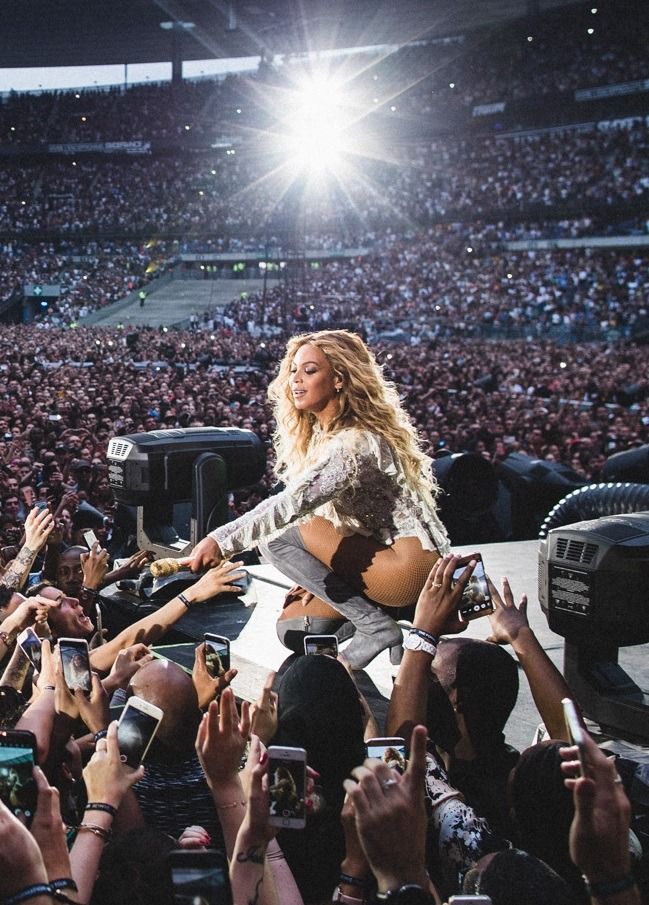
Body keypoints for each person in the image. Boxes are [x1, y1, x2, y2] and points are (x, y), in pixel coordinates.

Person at [190, 330, 450, 668]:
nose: (295, 380)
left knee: (278, 534)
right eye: (293, 371)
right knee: (295, 628)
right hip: (394, 560)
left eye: (309, 371)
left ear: (339, 379)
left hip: (405, 566)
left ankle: (376, 626)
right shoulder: (331, 437)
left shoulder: (353, 442)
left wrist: (221, 541)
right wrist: (313, 576)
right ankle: (382, 620)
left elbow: (289, 507)